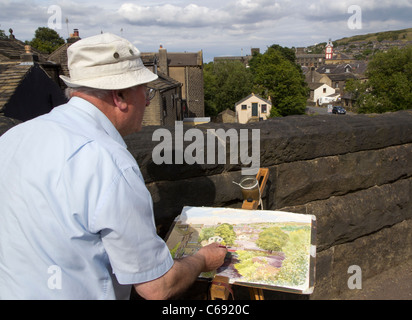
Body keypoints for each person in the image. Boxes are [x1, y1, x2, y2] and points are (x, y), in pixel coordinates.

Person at [0, 33, 227, 300]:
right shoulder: (109, 162)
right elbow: (158, 287)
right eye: (146, 91)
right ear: (119, 96)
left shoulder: (13, 138)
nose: (147, 101)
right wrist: (202, 259)